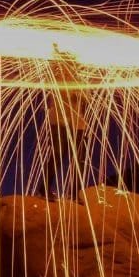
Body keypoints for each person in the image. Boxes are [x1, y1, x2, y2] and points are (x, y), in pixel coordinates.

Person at [42, 46, 89, 201]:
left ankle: (75, 193)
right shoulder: (58, 76)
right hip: (60, 122)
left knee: (79, 160)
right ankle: (44, 189)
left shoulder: (80, 79)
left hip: (79, 125)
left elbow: (86, 99)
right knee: (57, 156)